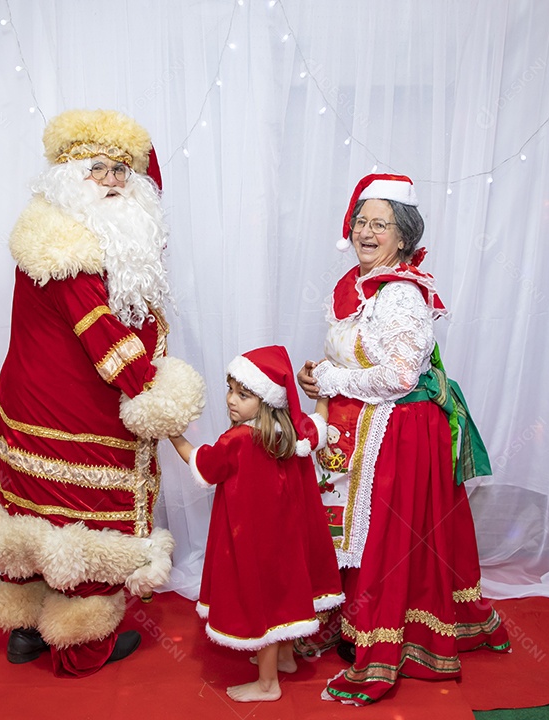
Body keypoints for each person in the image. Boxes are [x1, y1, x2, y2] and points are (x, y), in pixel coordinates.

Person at [0, 109, 206, 678]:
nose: (115, 181)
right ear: (69, 172)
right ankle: (81, 647)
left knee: (31, 511)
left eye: (124, 170)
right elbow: (104, 339)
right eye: (99, 168)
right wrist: (154, 393)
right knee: (88, 524)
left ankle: (24, 631)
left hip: (30, 406)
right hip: (78, 416)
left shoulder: (76, 231)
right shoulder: (66, 246)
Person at [296, 173, 510, 705]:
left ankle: (384, 635)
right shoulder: (353, 286)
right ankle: (352, 623)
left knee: (386, 540)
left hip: (399, 433)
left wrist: (328, 381)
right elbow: (357, 357)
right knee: (352, 533)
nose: (367, 233)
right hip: (359, 429)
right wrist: (320, 371)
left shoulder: (403, 297)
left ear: (403, 235)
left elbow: (400, 377)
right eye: (361, 221)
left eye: (380, 225)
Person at [167, 345, 344, 703]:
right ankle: (285, 658)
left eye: (243, 394)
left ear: (265, 399)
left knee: (263, 605)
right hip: (288, 538)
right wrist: (324, 390)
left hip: (254, 540)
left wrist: (174, 435)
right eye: (230, 390)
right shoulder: (295, 432)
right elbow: (321, 422)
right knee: (284, 594)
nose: (231, 400)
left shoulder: (238, 440)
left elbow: (202, 464)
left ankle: (267, 684)